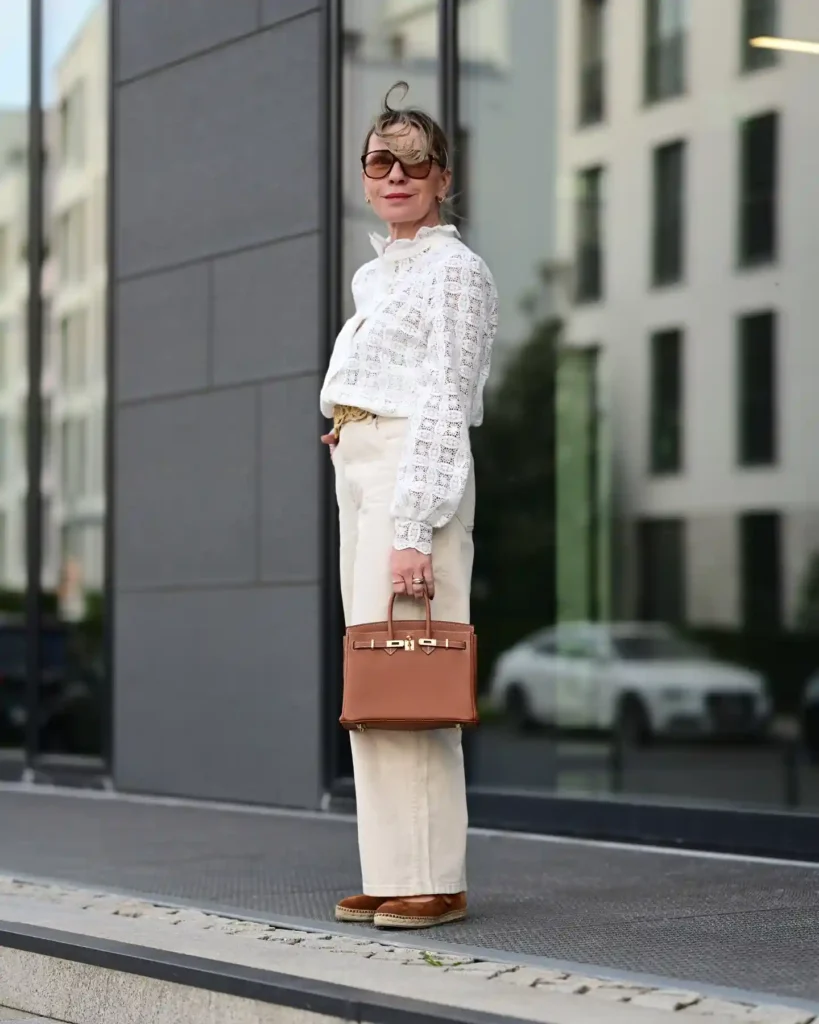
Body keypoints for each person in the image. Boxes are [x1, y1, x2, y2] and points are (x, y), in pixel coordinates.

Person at [319, 83, 498, 930]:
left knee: (413, 669)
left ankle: (434, 877)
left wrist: (413, 525)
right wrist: (348, 425)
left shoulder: (454, 271)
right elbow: (393, 380)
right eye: (380, 162)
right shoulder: (377, 274)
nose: (396, 175)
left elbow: (444, 399)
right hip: (364, 468)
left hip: (410, 478)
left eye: (414, 163)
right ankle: (394, 871)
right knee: (375, 675)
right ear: (364, 177)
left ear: (442, 179)